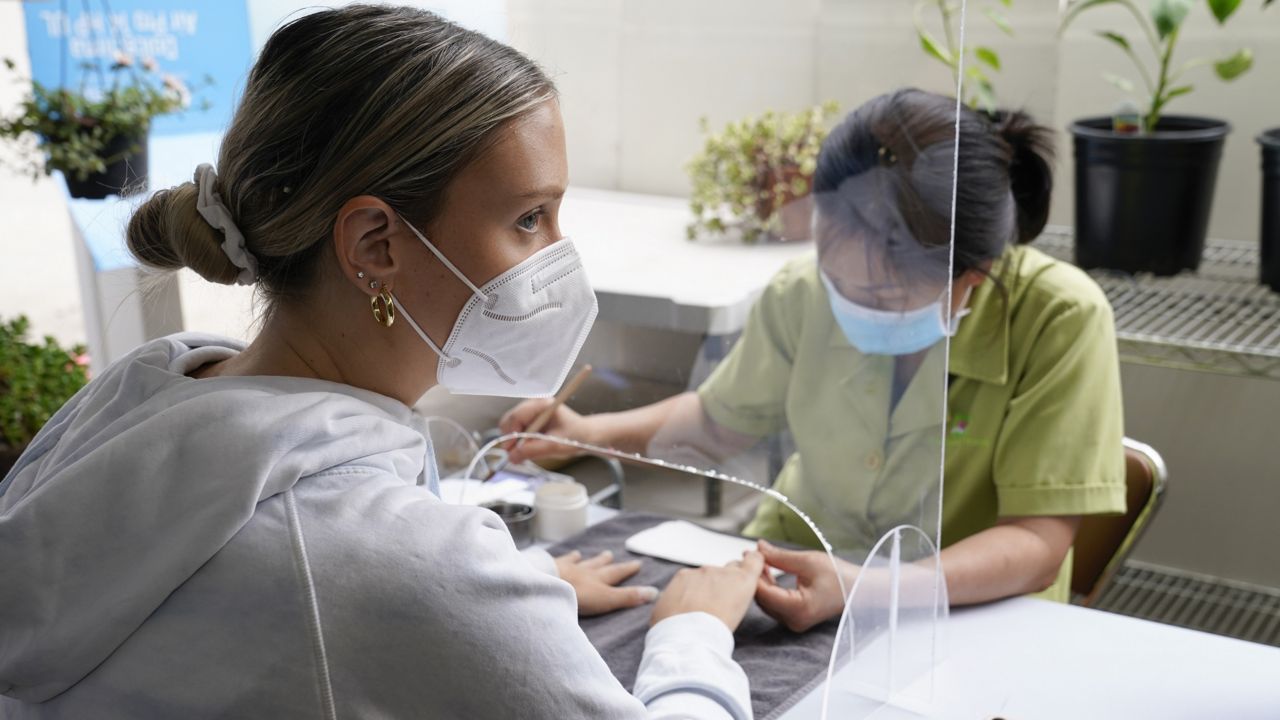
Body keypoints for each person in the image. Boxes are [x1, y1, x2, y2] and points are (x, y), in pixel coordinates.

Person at [0, 7, 763, 718]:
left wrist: (498, 604)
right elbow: (361, 578)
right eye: (529, 218)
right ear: (375, 246)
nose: (558, 254)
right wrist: (690, 632)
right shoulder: (402, 565)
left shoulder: (142, 394)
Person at [502, 89, 1127, 627]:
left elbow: (1038, 540)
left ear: (974, 276)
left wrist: (865, 590)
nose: (850, 304)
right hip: (792, 569)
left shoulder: (1059, 319)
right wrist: (586, 435)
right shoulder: (801, 293)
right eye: (838, 278)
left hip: (967, 611)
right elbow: (720, 422)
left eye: (881, 294)